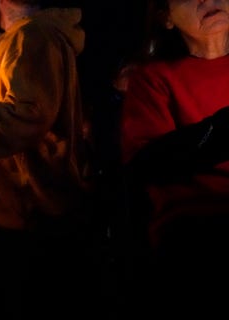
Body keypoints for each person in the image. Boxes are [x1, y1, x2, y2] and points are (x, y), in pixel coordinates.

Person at [0, 0, 99, 318]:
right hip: (13, 213)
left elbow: (26, 117)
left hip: (16, 215)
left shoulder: (34, 35)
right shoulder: (27, 36)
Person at [119, 0, 229, 317]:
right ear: (165, 17)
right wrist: (217, 132)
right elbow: (147, 163)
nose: (207, 0)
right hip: (195, 231)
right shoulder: (154, 79)